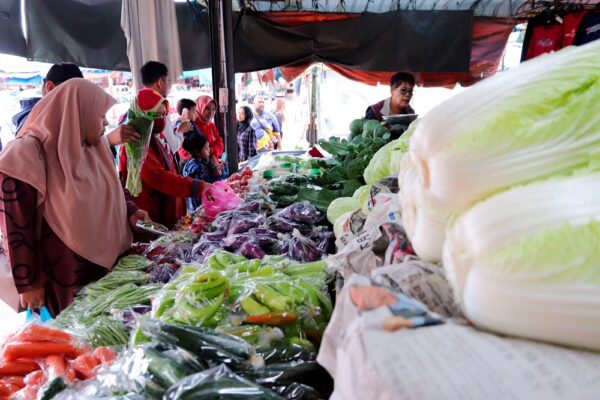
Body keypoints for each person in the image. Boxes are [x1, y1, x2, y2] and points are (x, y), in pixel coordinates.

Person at [0, 79, 150, 317]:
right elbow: (15, 222)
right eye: (100, 115)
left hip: (109, 272)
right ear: (77, 113)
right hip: (63, 276)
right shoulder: (25, 154)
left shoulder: (94, 147)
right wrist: (27, 282)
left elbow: (112, 188)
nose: (106, 123)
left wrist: (131, 211)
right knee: (75, 338)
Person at [119, 89, 210, 229]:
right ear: (142, 114)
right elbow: (159, 177)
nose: (162, 120)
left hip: (161, 215)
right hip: (148, 217)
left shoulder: (151, 137)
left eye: (164, 114)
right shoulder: (135, 144)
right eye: (157, 115)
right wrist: (197, 186)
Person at [12, 63, 139, 147]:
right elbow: (60, 154)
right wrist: (108, 140)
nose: (106, 122)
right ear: (50, 87)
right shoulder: (32, 124)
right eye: (71, 94)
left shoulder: (66, 117)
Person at [140, 61, 189, 156]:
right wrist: (181, 130)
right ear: (159, 82)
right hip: (157, 164)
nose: (168, 85)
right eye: (168, 81)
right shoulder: (159, 106)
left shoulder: (136, 102)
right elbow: (172, 147)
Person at [182, 134, 219, 211]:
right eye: (206, 148)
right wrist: (217, 175)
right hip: (202, 205)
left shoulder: (188, 163)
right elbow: (209, 187)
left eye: (208, 146)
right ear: (197, 153)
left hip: (192, 204)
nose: (209, 149)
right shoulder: (199, 168)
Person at [194, 96, 226, 176]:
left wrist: (212, 156)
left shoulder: (211, 125)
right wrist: (212, 156)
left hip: (214, 167)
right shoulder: (192, 126)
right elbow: (188, 153)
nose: (211, 112)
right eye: (207, 108)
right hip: (198, 172)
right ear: (199, 107)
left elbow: (221, 145)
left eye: (213, 109)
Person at [175, 98, 203, 163]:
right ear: (185, 112)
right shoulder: (182, 125)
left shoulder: (191, 123)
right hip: (189, 158)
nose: (196, 114)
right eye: (193, 111)